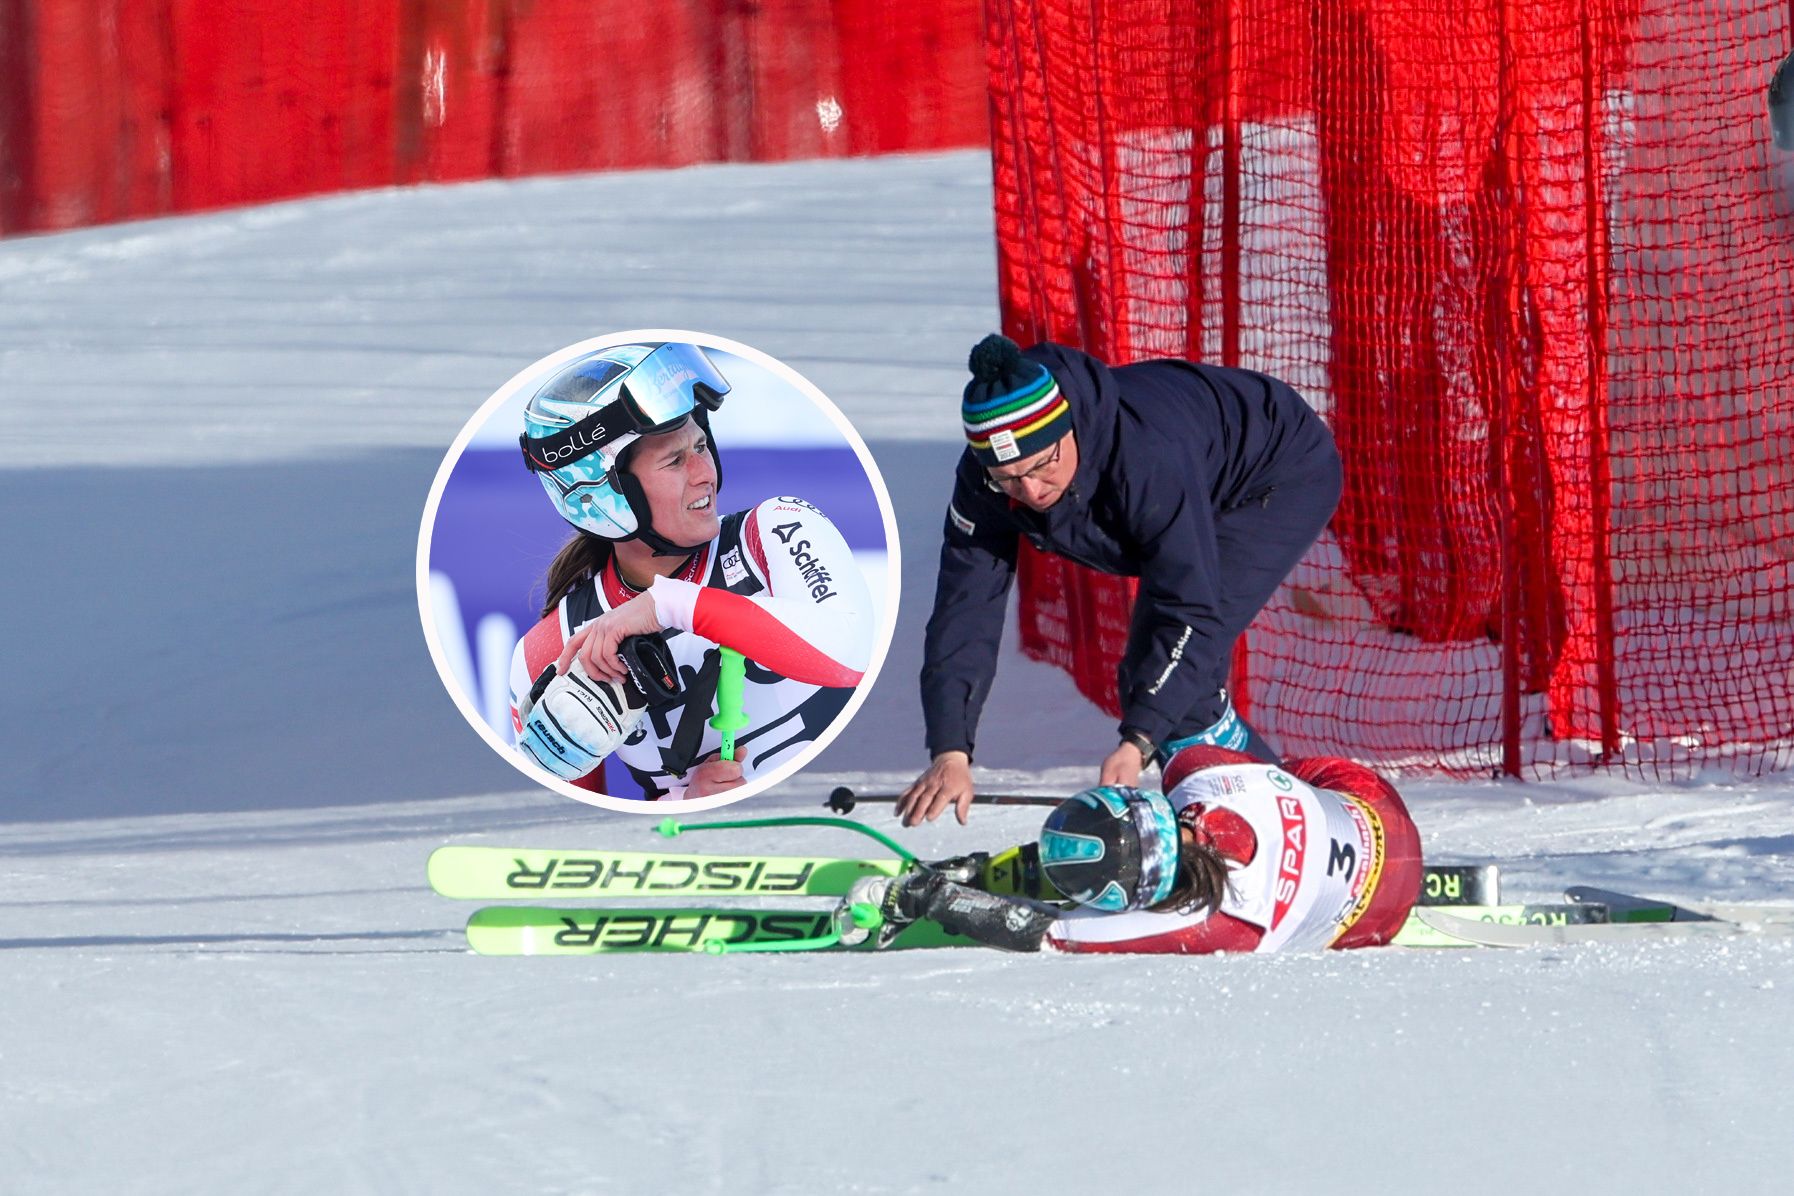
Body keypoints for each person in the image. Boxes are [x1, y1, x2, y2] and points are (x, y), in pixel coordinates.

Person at [899, 333, 1342, 827]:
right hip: (1191, 479)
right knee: (1159, 686)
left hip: (1275, 472)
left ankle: (1300, 833)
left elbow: (1189, 609)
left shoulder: (1144, 457)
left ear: (1068, 430)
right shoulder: (987, 482)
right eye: (1008, 477)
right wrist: (951, 750)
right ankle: (1254, 822)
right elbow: (965, 608)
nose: (1029, 490)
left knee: (1171, 690)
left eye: (1042, 466)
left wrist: (1138, 742)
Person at [507, 342, 875, 800]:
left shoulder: (777, 528)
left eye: (701, 445)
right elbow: (574, 833)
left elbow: (850, 655)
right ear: (600, 497)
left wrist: (670, 604)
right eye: (675, 460)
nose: (706, 474)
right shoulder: (550, 652)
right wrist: (686, 806)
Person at [843, 746, 1422, 954]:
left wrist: (931, 898)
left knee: (1287, 779)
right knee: (1289, 777)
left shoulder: (1213, 925)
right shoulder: (1200, 776)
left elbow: (1043, 934)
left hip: (1376, 918)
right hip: (1379, 812)